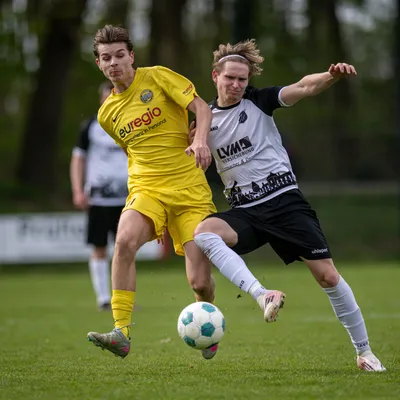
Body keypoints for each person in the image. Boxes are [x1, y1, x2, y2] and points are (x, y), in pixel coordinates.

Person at [191, 39, 386, 371]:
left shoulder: (260, 101)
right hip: (246, 212)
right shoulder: (204, 122)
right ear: (215, 76)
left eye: (242, 79)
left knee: (328, 277)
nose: (236, 85)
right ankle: (262, 294)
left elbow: (304, 87)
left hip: (284, 203)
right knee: (205, 233)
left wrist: (331, 76)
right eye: (230, 78)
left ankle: (365, 353)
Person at [86, 25, 219, 360]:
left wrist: (200, 140)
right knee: (124, 241)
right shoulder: (106, 114)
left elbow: (202, 109)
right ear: (99, 64)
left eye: (120, 55)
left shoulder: (158, 77)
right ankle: (121, 332)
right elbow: (133, 151)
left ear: (131, 56)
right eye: (106, 58)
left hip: (189, 190)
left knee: (200, 283)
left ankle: (209, 324)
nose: (114, 63)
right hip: (147, 189)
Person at [70, 81, 128, 311]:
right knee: (99, 247)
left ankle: (123, 300)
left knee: (125, 249)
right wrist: (77, 190)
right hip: (99, 199)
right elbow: (78, 159)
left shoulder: (131, 122)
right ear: (101, 99)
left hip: (128, 198)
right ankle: (104, 298)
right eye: (107, 95)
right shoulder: (90, 126)